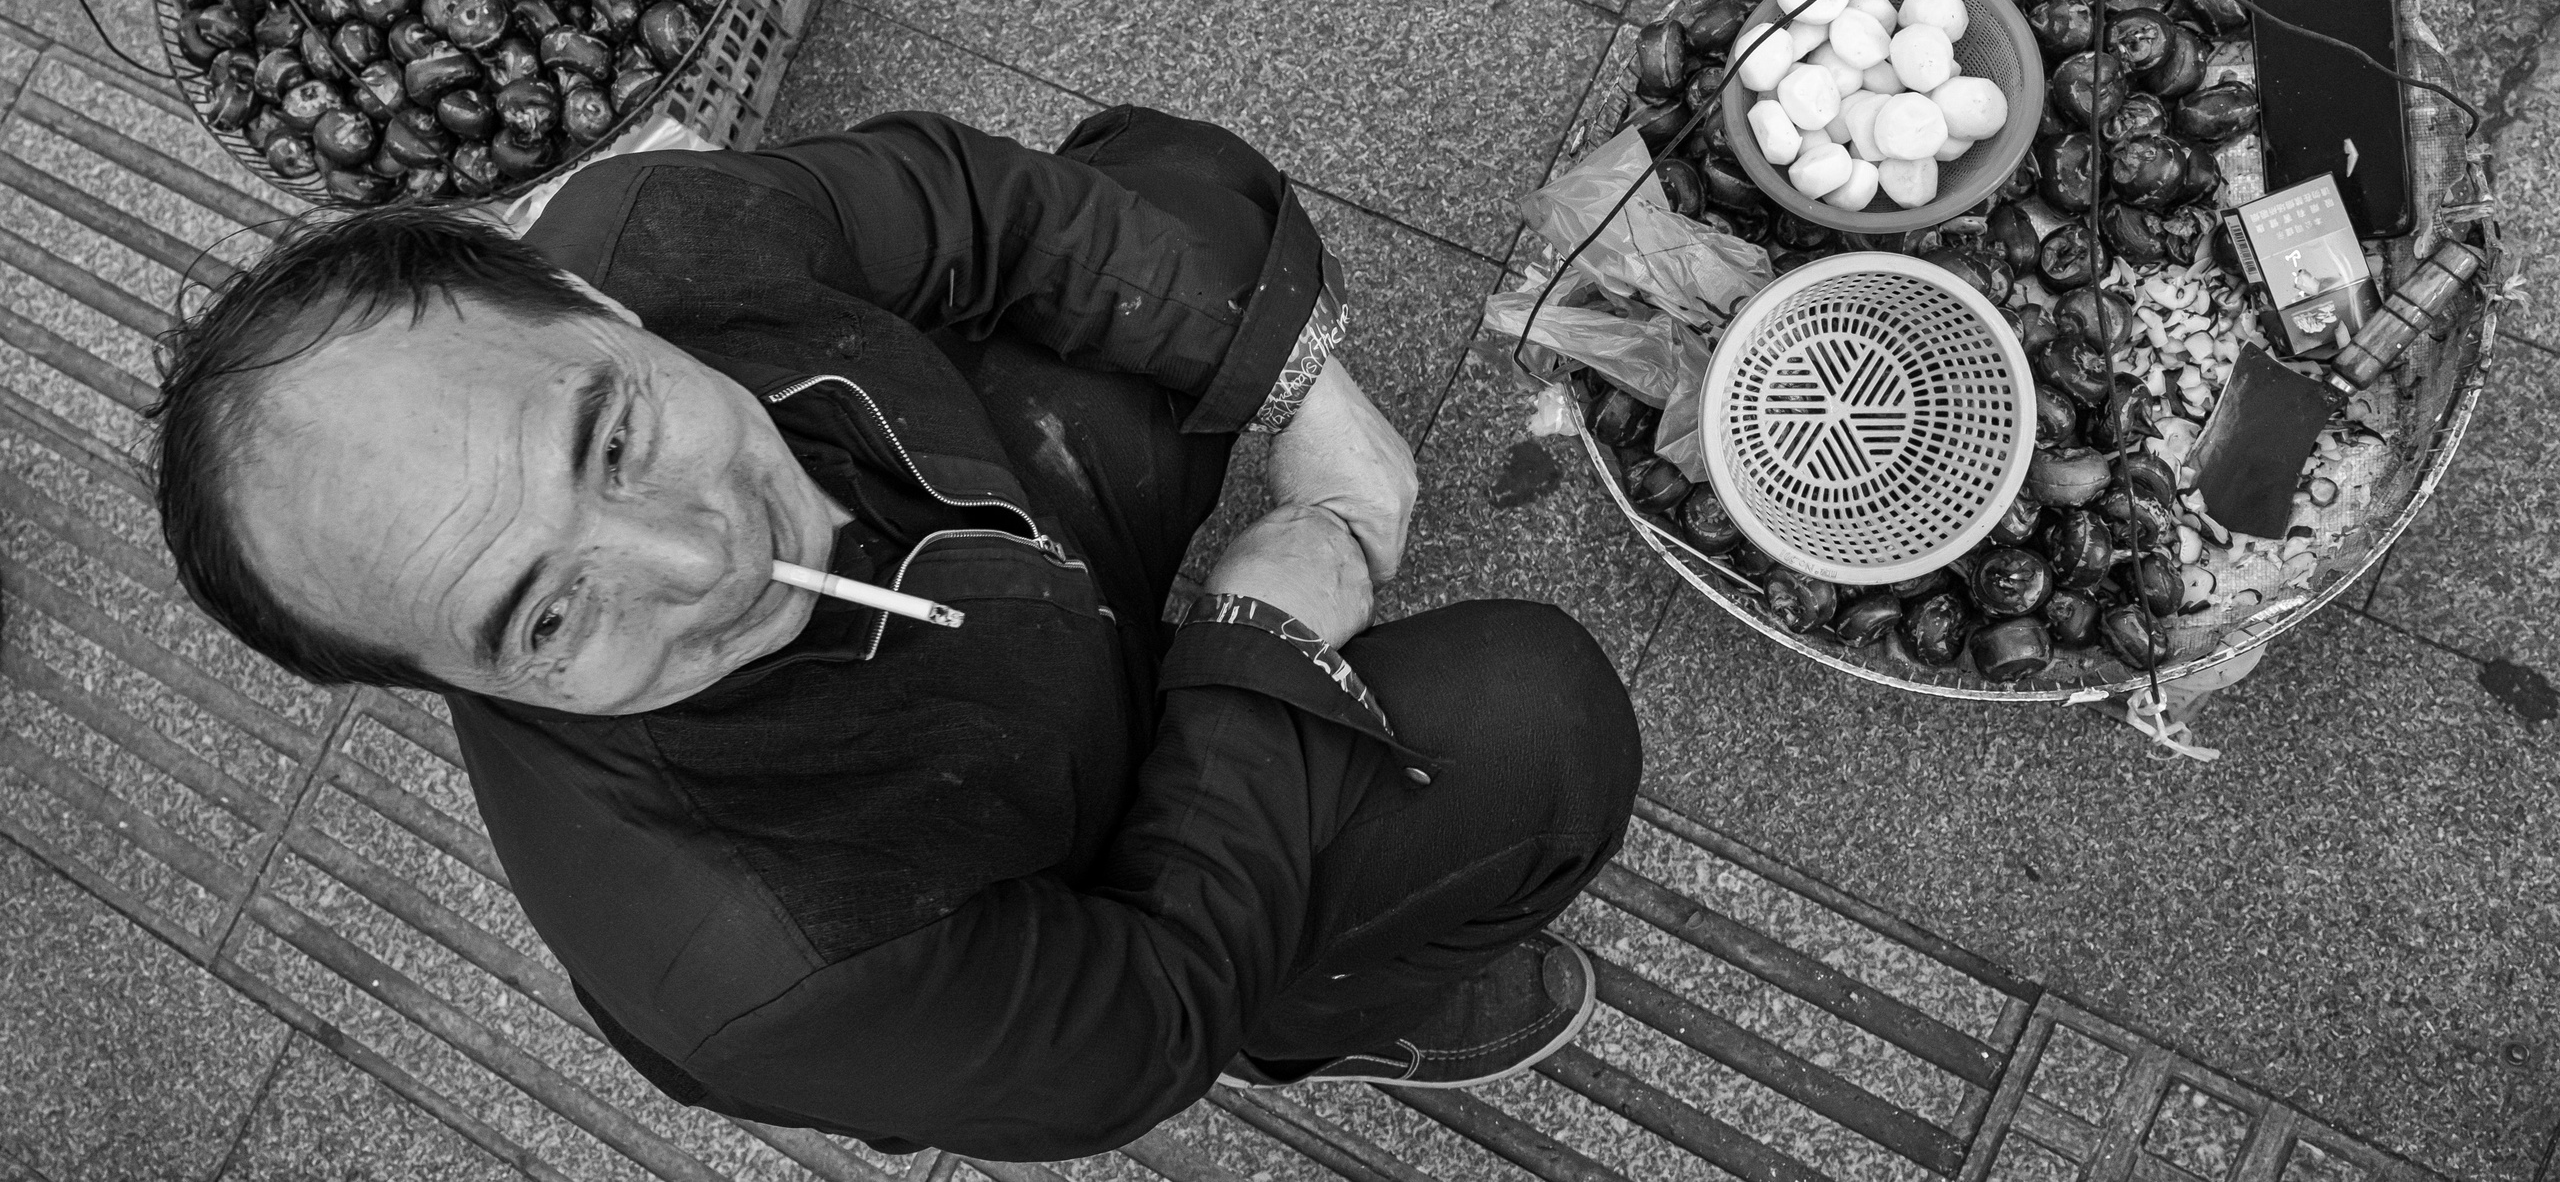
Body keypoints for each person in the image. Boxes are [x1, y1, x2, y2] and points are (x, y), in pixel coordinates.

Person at [149, 106, 1643, 1160]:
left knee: (1185, 192)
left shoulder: (657, 228)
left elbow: (969, 205)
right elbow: (1135, 1029)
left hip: (1023, 552)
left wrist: (1312, 407)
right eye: (544, 612)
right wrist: (1258, 644)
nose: (708, 558)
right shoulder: (769, 968)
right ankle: (1332, 1006)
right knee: (1530, 725)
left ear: (581, 289)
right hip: (995, 882)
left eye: (612, 435)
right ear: (446, 687)